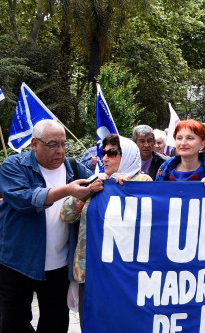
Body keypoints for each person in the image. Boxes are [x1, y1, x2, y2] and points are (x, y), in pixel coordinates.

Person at [0, 119, 98, 332]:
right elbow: (25, 199)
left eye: (63, 144)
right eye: (52, 144)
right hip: (17, 263)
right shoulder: (14, 166)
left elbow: (101, 183)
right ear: (34, 144)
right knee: (11, 323)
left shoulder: (75, 168)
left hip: (58, 266)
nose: (60, 150)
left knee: (55, 323)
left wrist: (120, 178)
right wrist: (67, 190)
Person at [61, 134, 152, 320]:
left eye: (112, 152)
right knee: (91, 322)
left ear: (127, 156)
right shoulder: (96, 180)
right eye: (103, 152)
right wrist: (88, 190)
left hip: (124, 272)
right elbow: (67, 214)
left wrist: (127, 188)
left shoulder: (143, 183)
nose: (104, 158)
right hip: (91, 269)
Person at [155, 119, 205, 184]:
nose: (183, 143)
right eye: (179, 138)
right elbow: (156, 194)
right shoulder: (165, 167)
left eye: (189, 138)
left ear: (202, 144)